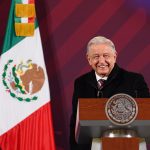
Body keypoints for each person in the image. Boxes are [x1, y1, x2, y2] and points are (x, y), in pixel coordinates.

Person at [69, 36, 150, 150]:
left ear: (115, 56)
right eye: (96, 56)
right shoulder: (80, 83)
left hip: (128, 145)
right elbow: (75, 121)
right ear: (88, 59)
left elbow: (147, 113)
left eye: (106, 56)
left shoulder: (134, 80)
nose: (101, 61)